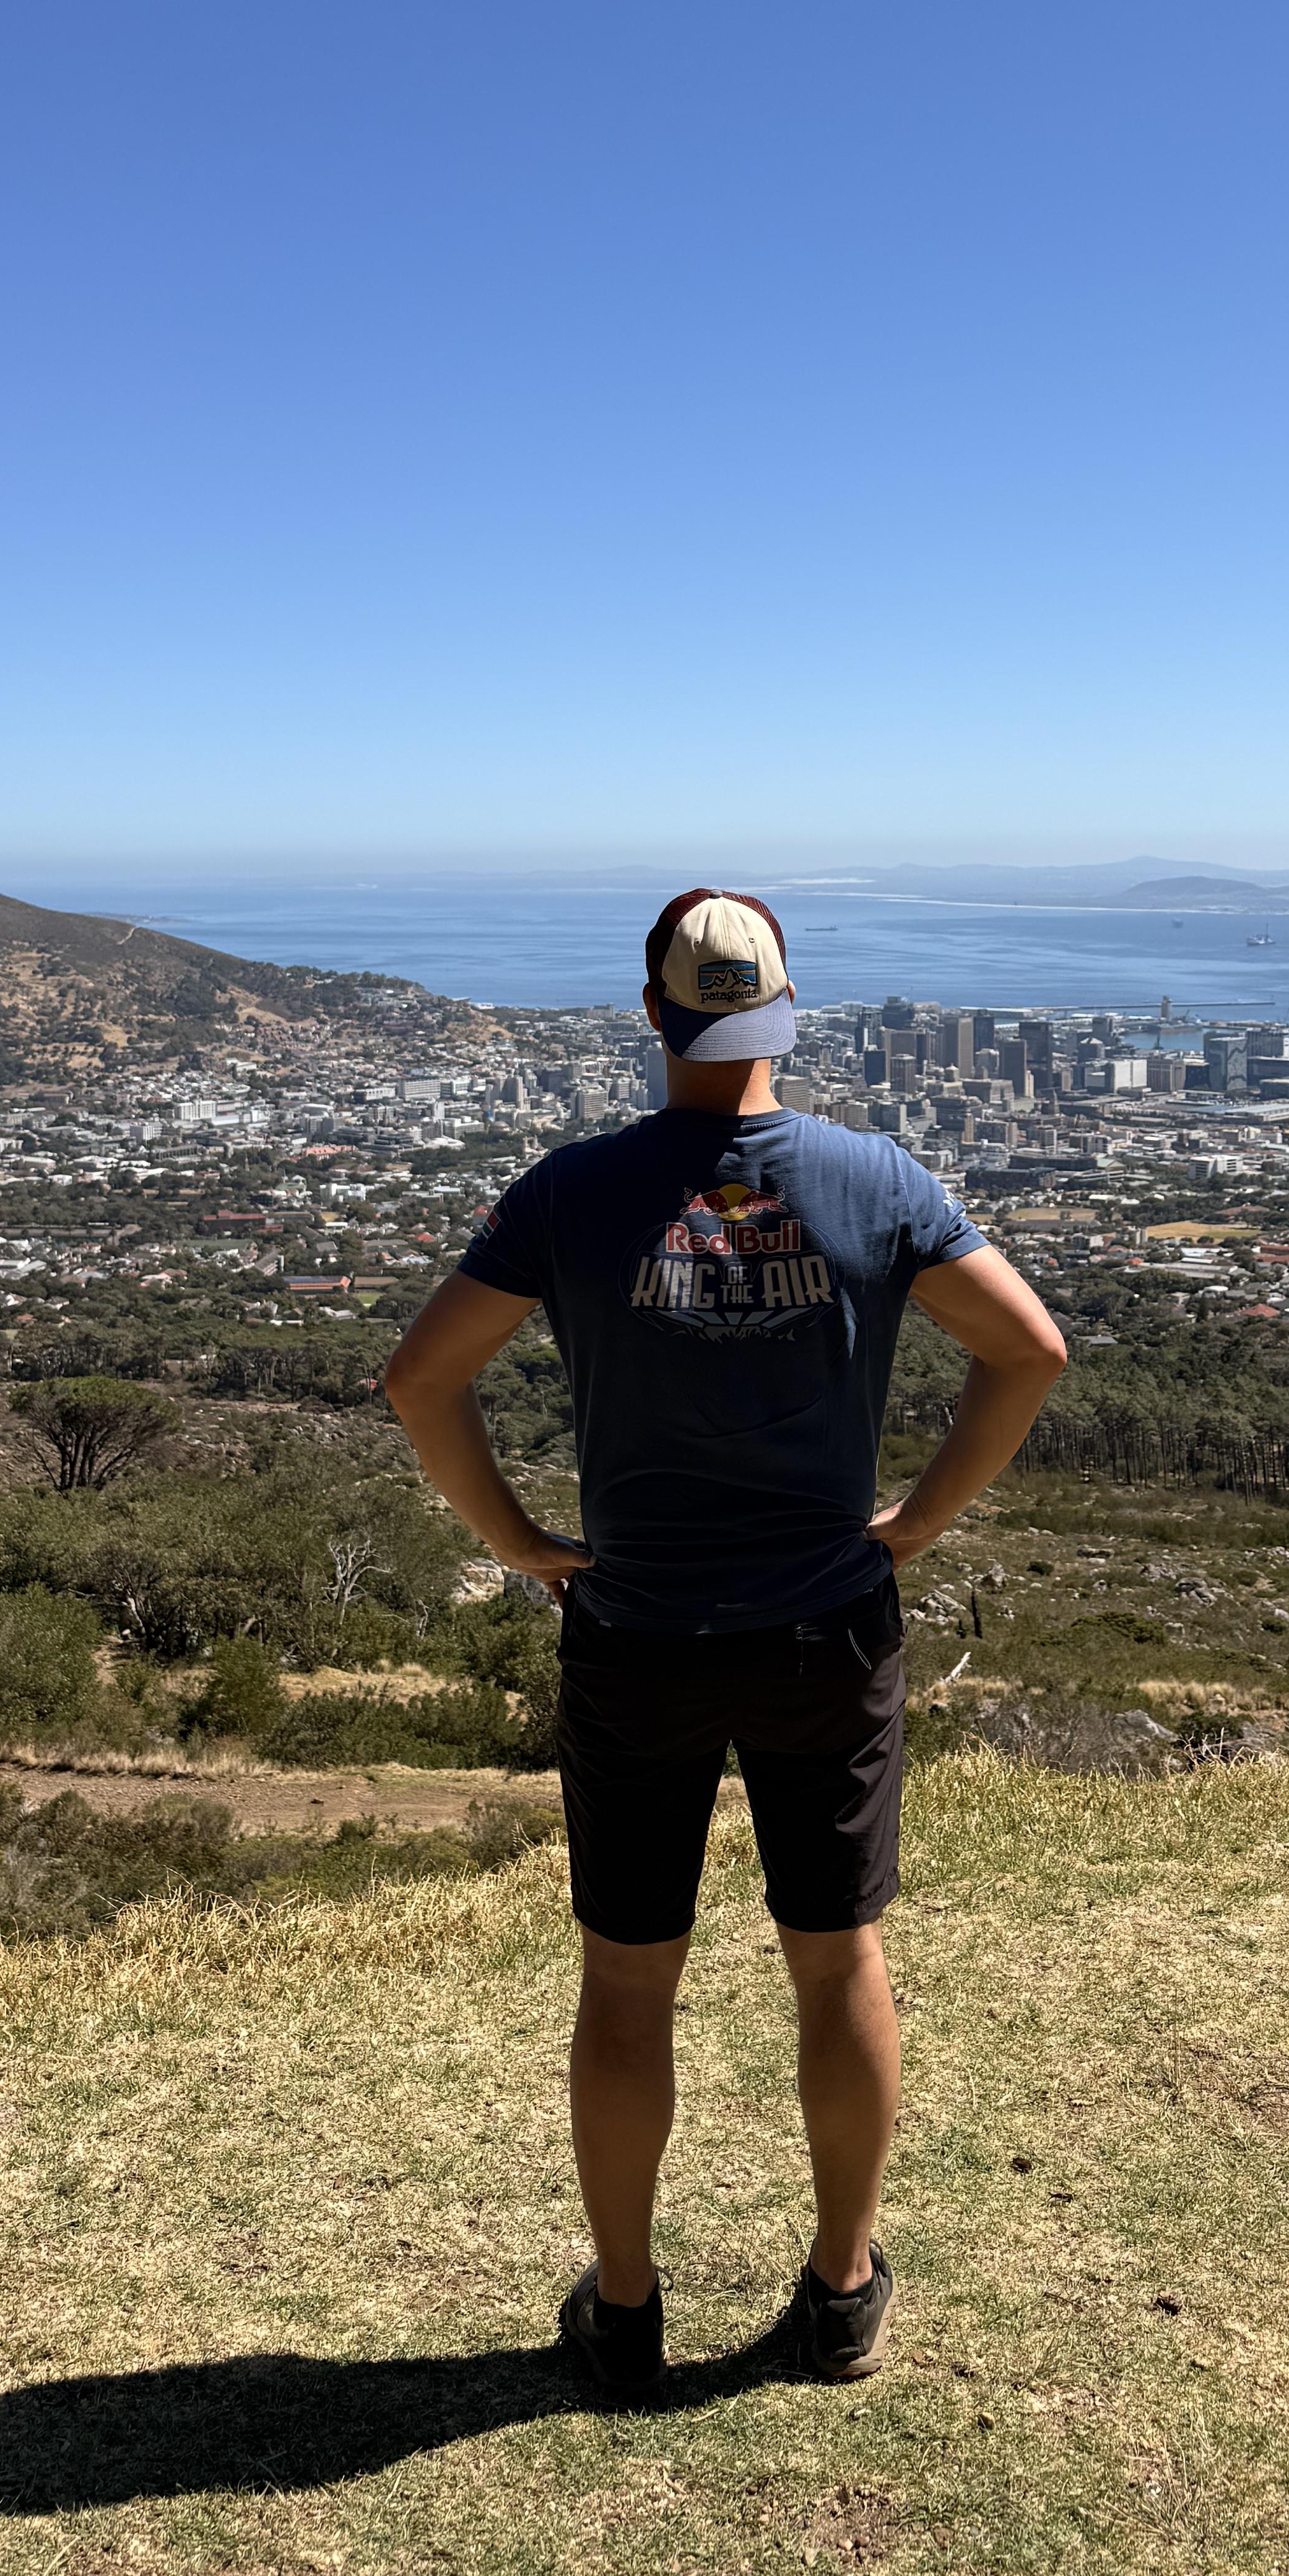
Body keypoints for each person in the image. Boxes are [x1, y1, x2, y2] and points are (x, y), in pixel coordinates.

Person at [382, 889, 1067, 2398]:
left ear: (652, 1013)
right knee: (838, 1960)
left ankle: (626, 2310)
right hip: (827, 1626)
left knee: (632, 1982)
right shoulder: (874, 1181)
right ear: (788, 1012)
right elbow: (1030, 1349)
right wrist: (919, 1520)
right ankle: (841, 2293)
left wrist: (521, 1543)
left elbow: (421, 1379)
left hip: (637, 1633)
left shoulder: (571, 1193)